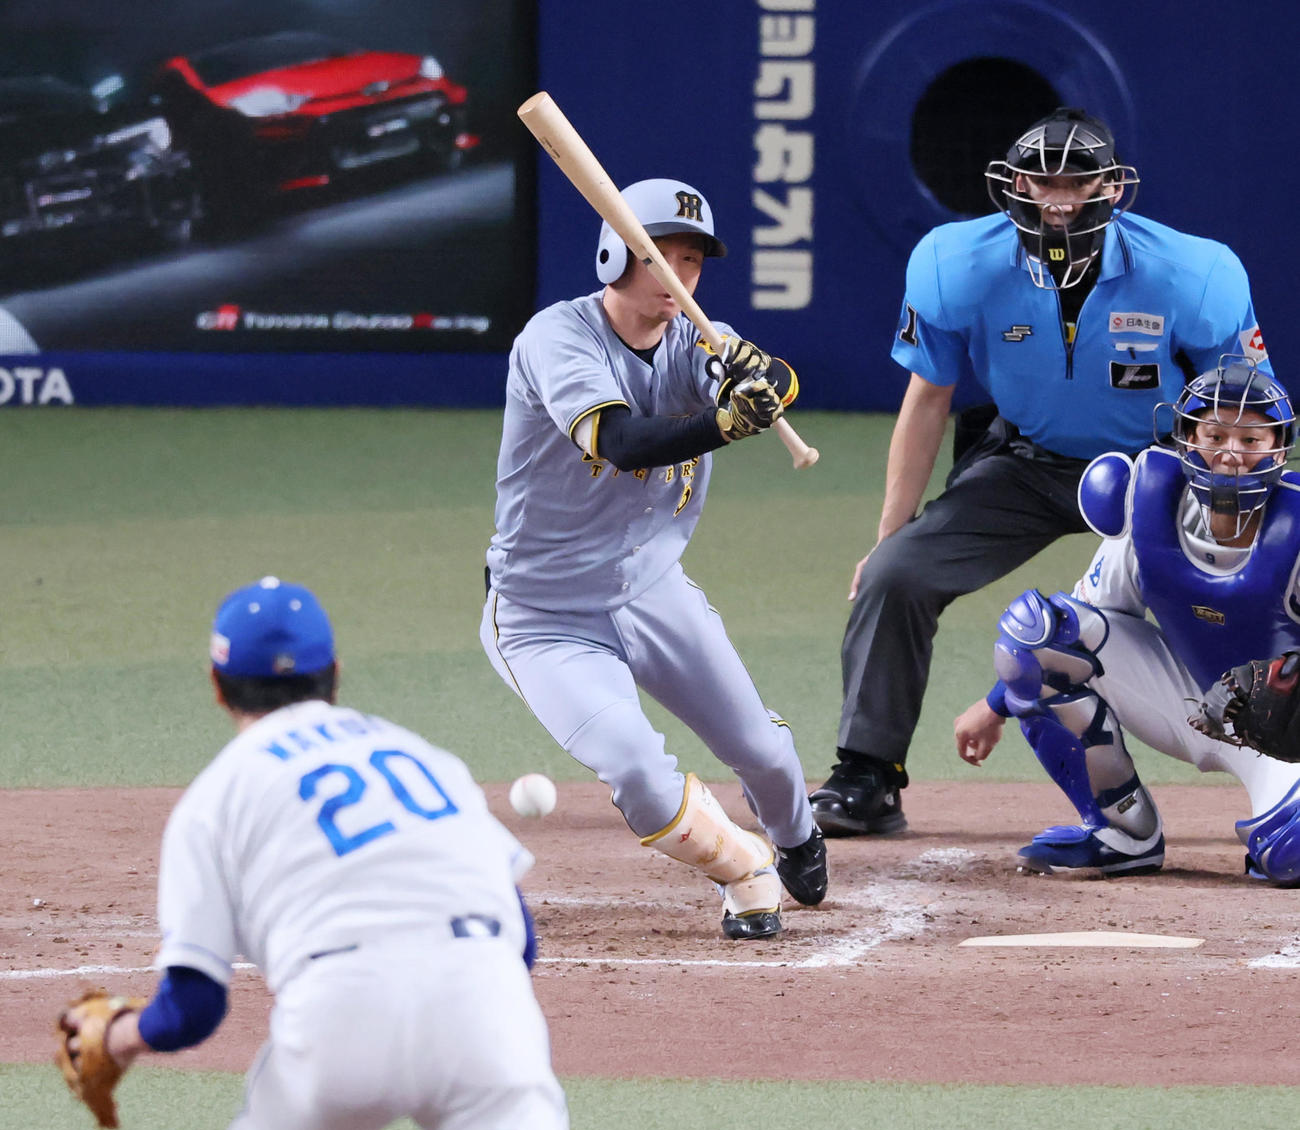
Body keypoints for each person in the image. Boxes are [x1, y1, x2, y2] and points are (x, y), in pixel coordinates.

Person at [811, 106, 1273, 839]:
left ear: (1112, 187)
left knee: (1251, 593)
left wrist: (1236, 518)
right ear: (1013, 184)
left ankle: (1278, 763)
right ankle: (868, 775)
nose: (1057, 199)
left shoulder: (1196, 273)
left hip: (1157, 473)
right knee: (897, 573)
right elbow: (928, 398)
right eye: (1041, 180)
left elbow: (1245, 411)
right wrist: (888, 536)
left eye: (1076, 181)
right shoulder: (952, 264)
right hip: (1025, 463)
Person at [62, 576, 574, 1130]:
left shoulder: (213, 799)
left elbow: (193, 1009)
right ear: (334, 673)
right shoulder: (425, 758)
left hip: (341, 1021)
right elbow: (521, 941)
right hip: (486, 1008)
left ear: (216, 686)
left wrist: (120, 1036)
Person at [479, 177, 826, 940]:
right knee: (638, 770)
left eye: (692, 259)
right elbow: (622, 441)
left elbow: (771, 377)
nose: (680, 275)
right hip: (545, 616)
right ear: (615, 256)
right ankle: (744, 866)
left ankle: (798, 834)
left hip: (652, 588)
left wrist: (761, 381)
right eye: (662, 255)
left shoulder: (698, 338)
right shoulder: (556, 339)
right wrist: (725, 424)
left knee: (763, 751)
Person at [953, 360, 1300, 883]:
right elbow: (1075, 634)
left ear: (1277, 448)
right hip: (1184, 705)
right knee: (1036, 634)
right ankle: (1122, 832)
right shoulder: (1148, 505)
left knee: (1291, 855)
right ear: (1187, 439)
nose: (1231, 454)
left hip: (1285, 736)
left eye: (1251, 439)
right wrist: (995, 704)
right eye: (1215, 435)